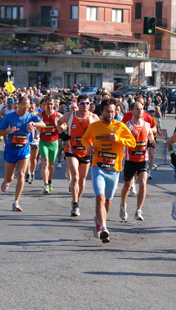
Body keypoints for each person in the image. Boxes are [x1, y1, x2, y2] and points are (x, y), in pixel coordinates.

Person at [82, 98, 136, 243]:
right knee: (100, 197)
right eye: (108, 111)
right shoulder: (95, 126)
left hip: (114, 168)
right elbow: (85, 139)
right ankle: (104, 228)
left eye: (113, 111)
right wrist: (89, 147)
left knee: (108, 202)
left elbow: (132, 143)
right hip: (98, 166)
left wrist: (118, 139)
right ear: (102, 112)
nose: (111, 114)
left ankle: (98, 222)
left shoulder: (120, 126)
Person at [0, 96, 46, 212]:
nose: (25, 109)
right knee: (10, 177)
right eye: (23, 106)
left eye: (27, 106)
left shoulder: (31, 116)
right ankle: (6, 181)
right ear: (18, 105)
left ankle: (16, 202)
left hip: (24, 149)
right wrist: (8, 132)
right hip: (11, 149)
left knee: (21, 174)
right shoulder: (9, 117)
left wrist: (34, 125)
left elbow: (43, 124)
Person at [57, 95, 99, 217]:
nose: (85, 106)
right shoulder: (70, 115)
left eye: (87, 103)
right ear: (78, 104)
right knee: (75, 176)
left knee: (82, 179)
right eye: (82, 103)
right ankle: (75, 204)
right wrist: (62, 132)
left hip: (86, 151)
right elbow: (59, 122)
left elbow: (101, 130)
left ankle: (77, 199)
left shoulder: (93, 117)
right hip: (71, 150)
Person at [119, 101, 155, 221]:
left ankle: (138, 210)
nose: (140, 111)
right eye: (137, 109)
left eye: (141, 109)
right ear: (132, 111)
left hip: (143, 159)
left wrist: (152, 142)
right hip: (130, 160)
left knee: (143, 184)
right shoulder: (127, 125)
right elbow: (121, 139)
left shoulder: (146, 125)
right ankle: (123, 205)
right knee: (127, 187)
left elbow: (150, 137)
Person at [37, 96, 60, 194]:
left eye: (51, 104)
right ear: (44, 105)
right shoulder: (40, 116)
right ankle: (45, 184)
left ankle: (49, 181)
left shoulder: (58, 115)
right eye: (47, 104)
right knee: (45, 162)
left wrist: (62, 127)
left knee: (51, 164)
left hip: (54, 142)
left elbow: (64, 124)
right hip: (43, 141)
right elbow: (34, 124)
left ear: (54, 105)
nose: (49, 106)